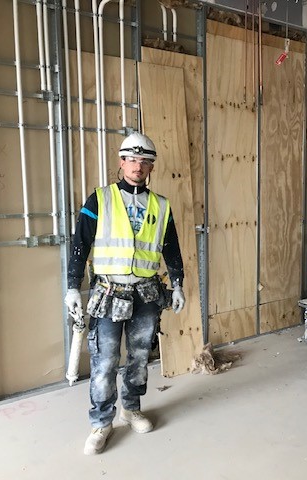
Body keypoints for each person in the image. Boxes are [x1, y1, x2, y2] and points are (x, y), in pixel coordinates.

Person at [64, 132, 186, 454]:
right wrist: (72, 287)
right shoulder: (100, 199)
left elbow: (170, 246)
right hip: (108, 292)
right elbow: (80, 244)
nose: (138, 166)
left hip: (146, 294)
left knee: (140, 357)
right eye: (132, 159)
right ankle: (101, 422)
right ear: (121, 162)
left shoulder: (161, 206)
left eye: (145, 161)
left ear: (151, 167)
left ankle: (131, 409)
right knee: (105, 362)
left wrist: (179, 282)